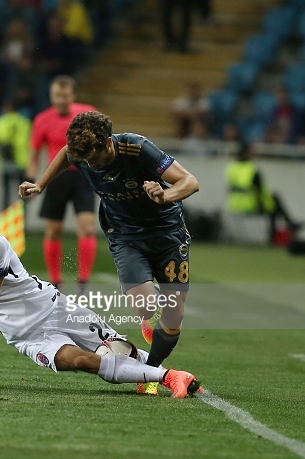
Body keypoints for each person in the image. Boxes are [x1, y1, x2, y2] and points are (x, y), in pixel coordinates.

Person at [0, 191, 203, 399]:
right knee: (82, 362)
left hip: (55, 309)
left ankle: (166, 376)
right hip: (26, 336)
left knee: (118, 349)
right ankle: (169, 376)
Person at [19, 111, 200, 394]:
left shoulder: (136, 148)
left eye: (93, 158)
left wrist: (165, 195)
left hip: (167, 233)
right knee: (146, 306)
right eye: (85, 161)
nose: (90, 165)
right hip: (124, 234)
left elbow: (190, 182)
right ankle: (150, 364)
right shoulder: (81, 152)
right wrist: (41, 184)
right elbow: (67, 154)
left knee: (174, 315)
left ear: (107, 143)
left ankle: (149, 373)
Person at [26, 75, 98, 294]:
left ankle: (83, 281)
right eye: (57, 95)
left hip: (83, 176)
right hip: (56, 177)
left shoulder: (87, 114)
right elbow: (34, 153)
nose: (61, 99)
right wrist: (31, 180)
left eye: (65, 95)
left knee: (86, 226)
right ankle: (56, 282)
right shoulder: (42, 119)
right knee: (53, 230)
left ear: (73, 96)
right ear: (51, 96)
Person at [225, 141, 301, 244]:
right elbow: (260, 192)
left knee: (274, 202)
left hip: (234, 204)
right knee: (274, 203)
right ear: (247, 153)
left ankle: (288, 225)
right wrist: (266, 204)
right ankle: (280, 232)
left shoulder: (231, 168)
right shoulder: (251, 169)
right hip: (249, 204)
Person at [0, 99, 32, 210]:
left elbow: (0, 138)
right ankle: (21, 220)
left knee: (6, 194)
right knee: (23, 194)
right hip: (22, 161)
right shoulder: (24, 121)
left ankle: (5, 221)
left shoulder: (0, 121)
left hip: (7, 160)